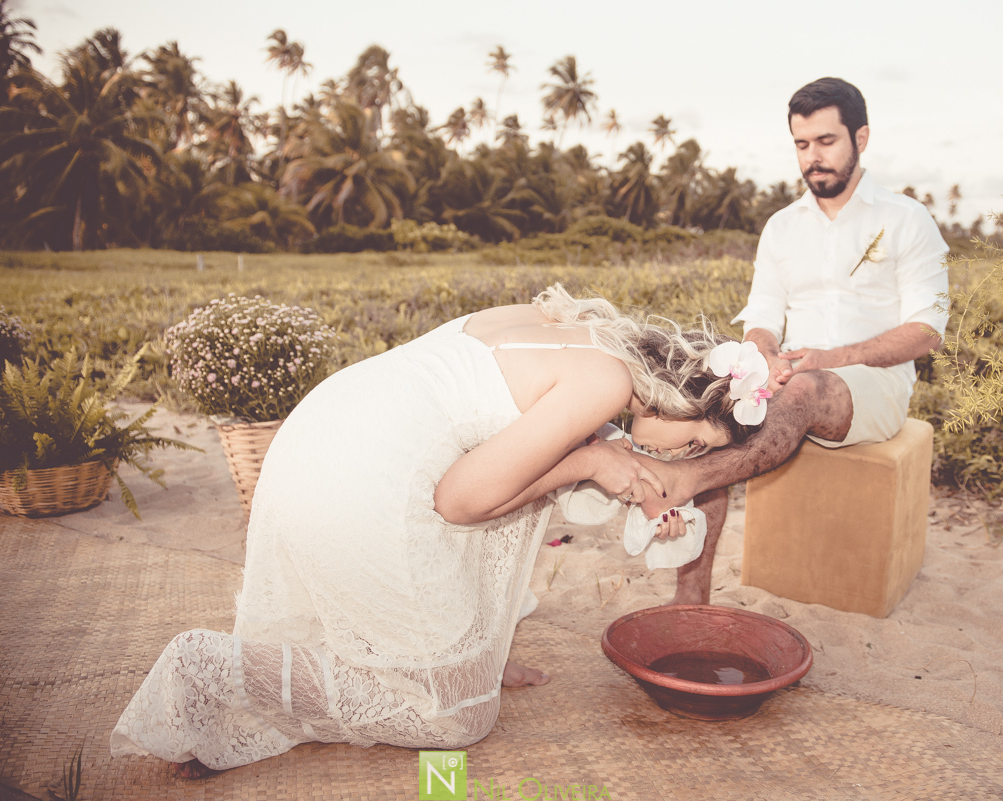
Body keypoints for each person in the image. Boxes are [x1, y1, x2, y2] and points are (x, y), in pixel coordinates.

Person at [110, 285, 766, 776]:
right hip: (361, 488)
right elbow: (461, 499)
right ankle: (212, 668)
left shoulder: (577, 328)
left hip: (313, 442)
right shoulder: (606, 381)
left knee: (524, 493)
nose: (680, 456)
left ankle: (456, 649)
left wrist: (614, 468)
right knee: (455, 718)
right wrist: (596, 460)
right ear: (681, 399)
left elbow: (507, 445)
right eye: (692, 441)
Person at [640, 76, 950, 603]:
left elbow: (926, 331)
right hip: (790, 375)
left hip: (873, 387)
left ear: (861, 138)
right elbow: (762, 315)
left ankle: (687, 480)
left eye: (826, 142)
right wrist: (762, 351)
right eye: (802, 145)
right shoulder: (782, 226)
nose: (813, 157)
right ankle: (690, 598)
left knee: (803, 391)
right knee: (717, 405)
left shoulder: (907, 220)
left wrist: (833, 358)